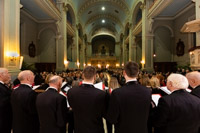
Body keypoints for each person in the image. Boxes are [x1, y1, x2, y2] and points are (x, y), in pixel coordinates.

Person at [107, 61, 151, 133]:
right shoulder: (147, 91)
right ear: (137, 73)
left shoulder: (117, 93)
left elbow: (112, 119)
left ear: (124, 73)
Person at [68, 66, 107, 133]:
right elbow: (104, 113)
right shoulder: (101, 94)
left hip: (79, 129)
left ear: (83, 75)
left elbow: (72, 107)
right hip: (96, 129)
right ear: (95, 76)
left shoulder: (71, 92)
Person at [0, 68, 12, 133]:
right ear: (1, 75)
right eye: (7, 73)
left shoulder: (3, 86)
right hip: (3, 119)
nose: (9, 75)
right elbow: (2, 102)